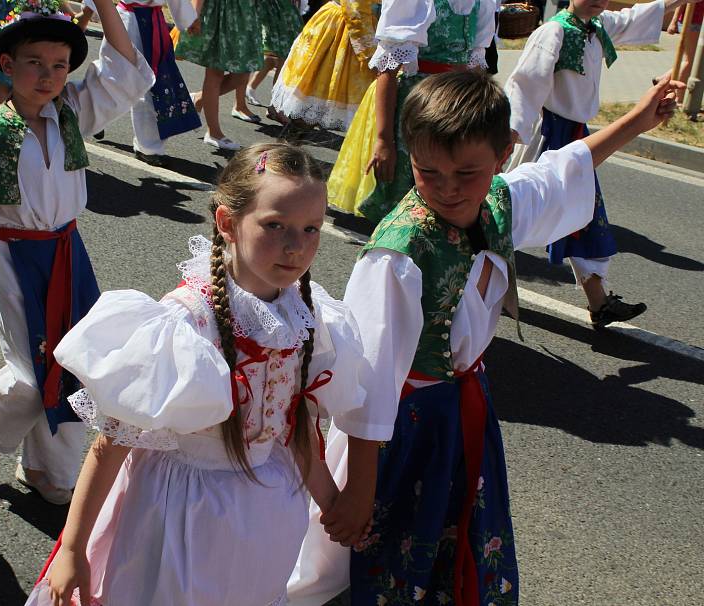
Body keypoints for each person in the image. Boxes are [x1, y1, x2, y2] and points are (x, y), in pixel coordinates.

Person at [292, 71, 683, 605]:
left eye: (467, 172)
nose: (448, 187)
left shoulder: (499, 202)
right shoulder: (400, 253)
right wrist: (359, 488)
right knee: (361, 553)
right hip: (399, 428)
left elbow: (562, 168)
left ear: (503, 155)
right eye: (428, 172)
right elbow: (370, 379)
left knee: (454, 533)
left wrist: (640, 119)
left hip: (461, 408)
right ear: (411, 158)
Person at [24, 143, 371, 606]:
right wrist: (72, 547)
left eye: (311, 229)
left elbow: (295, 427)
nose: (296, 246)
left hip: (264, 521)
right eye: (275, 226)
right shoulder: (185, 324)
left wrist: (331, 504)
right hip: (180, 516)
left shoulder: (307, 315)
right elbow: (112, 443)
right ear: (227, 223)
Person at [0, 0, 154, 505]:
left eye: (59, 65)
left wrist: (105, 6)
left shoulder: (71, 113)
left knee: (79, 364)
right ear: (7, 65)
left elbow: (127, 70)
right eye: (34, 62)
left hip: (68, 252)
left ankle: (48, 467)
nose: (48, 75)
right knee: (33, 373)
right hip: (14, 258)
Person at [504, 0, 700, 329]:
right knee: (513, 210)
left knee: (584, 216)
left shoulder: (599, 25)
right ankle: (472, 274)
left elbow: (635, 18)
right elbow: (524, 86)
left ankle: (599, 302)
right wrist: (511, 134)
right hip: (547, 137)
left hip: (577, 137)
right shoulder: (553, 32)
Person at [328, 0, 497, 226]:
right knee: (407, 194)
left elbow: (476, 65)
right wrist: (383, 140)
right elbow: (387, 70)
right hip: (416, 108)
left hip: (456, 106)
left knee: (449, 186)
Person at [114, 0, 202, 166]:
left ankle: (148, 146)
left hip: (141, 21)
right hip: (132, 21)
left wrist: (189, 18)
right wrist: (189, 18)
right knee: (138, 83)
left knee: (143, 83)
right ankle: (147, 146)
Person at [268, 0, 378, 130]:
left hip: (344, 25)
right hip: (343, 28)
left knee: (315, 95)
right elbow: (354, 9)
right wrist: (371, 53)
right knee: (313, 95)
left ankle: (291, 136)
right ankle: (289, 140)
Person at [174, 0, 264, 150]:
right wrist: (194, 13)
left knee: (242, 74)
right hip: (220, 12)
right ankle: (214, 132)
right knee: (215, 71)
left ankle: (198, 98)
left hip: (245, 14)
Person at [667, 1, 704, 103]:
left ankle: (662, 79)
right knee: (690, 62)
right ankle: (678, 98)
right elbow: (682, 2)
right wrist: (673, 22)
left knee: (692, 61)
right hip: (691, 22)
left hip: (698, 24)